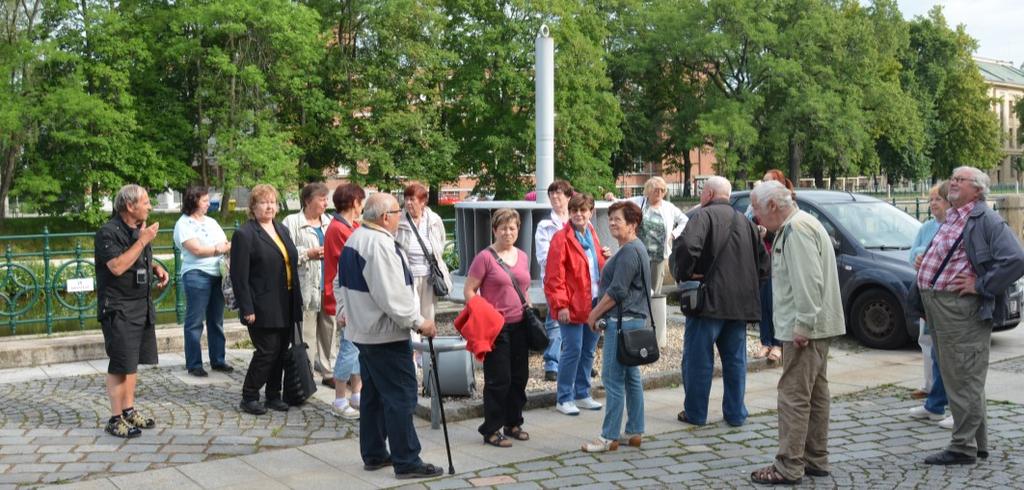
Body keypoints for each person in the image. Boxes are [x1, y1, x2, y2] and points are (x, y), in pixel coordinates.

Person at [909, 166, 1024, 466]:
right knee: (961, 377)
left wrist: (981, 285)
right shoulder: (955, 215)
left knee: (963, 379)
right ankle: (977, 444)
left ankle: (962, 448)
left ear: (978, 189)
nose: (954, 182)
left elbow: (1015, 259)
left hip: (961, 311)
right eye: (953, 178)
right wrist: (926, 261)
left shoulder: (984, 218)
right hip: (941, 308)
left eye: (961, 179)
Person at [337, 192, 443, 479]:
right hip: (384, 334)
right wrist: (421, 323)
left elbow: (339, 283)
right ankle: (407, 460)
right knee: (401, 395)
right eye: (398, 212)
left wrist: (344, 311)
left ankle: (373, 453)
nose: (401, 216)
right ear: (386, 217)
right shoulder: (378, 244)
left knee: (373, 395)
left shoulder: (356, 238)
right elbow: (393, 297)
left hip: (365, 331)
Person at [748, 180, 846, 485]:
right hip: (815, 326)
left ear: (774, 206)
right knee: (815, 394)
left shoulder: (796, 230)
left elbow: (808, 283)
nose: (756, 217)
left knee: (793, 396)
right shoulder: (801, 225)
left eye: (757, 210)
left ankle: (789, 465)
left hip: (805, 329)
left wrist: (802, 325)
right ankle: (815, 459)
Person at [672, 176, 767, 427]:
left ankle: (695, 413)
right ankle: (736, 414)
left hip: (707, 302)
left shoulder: (702, 217)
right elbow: (764, 264)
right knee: (736, 362)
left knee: (698, 361)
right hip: (739, 305)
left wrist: (684, 273)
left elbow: (686, 247)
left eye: (702, 191)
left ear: (709, 194)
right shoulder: (746, 223)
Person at [94, 184, 169, 438]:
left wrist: (156, 268)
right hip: (118, 308)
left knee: (132, 361)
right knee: (119, 364)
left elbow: (137, 259)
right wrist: (144, 240)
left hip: (141, 305)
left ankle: (128, 411)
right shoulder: (107, 232)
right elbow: (116, 266)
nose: (150, 206)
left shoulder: (139, 230)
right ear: (129, 206)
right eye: (146, 202)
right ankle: (115, 419)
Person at [581, 201, 651, 452]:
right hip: (632, 320)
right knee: (631, 377)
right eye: (610, 218)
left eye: (617, 219)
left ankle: (608, 436)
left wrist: (594, 314)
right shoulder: (632, 248)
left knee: (612, 378)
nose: (611, 223)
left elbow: (618, 291)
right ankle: (634, 430)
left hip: (622, 323)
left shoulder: (630, 250)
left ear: (632, 224)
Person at [231, 184, 302, 415]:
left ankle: (274, 394)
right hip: (261, 304)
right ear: (253, 207)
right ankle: (249, 395)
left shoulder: (282, 229)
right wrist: (247, 307)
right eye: (264, 202)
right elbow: (239, 276)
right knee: (267, 351)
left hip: (286, 301)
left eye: (272, 201)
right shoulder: (245, 234)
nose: (269, 206)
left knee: (281, 350)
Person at [465, 208, 532, 448]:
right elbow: (469, 291)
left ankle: (513, 423)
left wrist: (529, 309)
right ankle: (491, 428)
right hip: (497, 327)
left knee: (519, 377)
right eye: (503, 228)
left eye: (512, 227)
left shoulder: (522, 256)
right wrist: (483, 314)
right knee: (498, 379)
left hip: (520, 324)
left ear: (518, 229)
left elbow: (522, 288)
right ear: (494, 230)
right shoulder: (485, 257)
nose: (508, 232)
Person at [544, 193, 606, 416]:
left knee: (588, 350)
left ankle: (582, 393)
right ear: (569, 213)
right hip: (572, 305)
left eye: (583, 210)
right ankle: (564, 397)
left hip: (594, 303)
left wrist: (604, 257)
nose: (579, 214)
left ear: (591, 212)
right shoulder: (561, 238)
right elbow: (554, 276)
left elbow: (594, 268)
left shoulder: (591, 234)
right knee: (573, 350)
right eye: (574, 211)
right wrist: (561, 305)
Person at [906, 181, 953, 429]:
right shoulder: (926, 227)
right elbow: (913, 254)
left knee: (946, 355)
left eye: (938, 199)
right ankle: (934, 403)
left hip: (947, 298)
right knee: (933, 351)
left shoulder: (954, 226)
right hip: (928, 296)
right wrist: (918, 258)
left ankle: (947, 406)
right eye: (931, 199)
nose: (933, 203)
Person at [173, 186, 232, 378]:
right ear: (194, 201)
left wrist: (220, 248)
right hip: (197, 274)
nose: (208, 203)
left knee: (216, 320)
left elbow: (226, 243)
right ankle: (194, 363)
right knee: (195, 320)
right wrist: (217, 249)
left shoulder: (212, 222)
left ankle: (218, 359)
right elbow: (196, 250)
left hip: (217, 274)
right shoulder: (184, 224)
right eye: (205, 200)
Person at [282, 183, 336, 388]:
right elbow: (285, 252)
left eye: (326, 198)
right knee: (307, 330)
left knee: (329, 328)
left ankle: (329, 371)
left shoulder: (329, 221)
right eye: (321, 199)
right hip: (306, 285)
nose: (325, 203)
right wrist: (307, 254)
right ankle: (307, 374)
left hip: (329, 283)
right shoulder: (292, 222)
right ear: (307, 201)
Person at [395, 183, 453, 364]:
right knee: (412, 315)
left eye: (412, 199)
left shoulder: (434, 220)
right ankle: (412, 355)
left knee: (428, 315)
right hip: (408, 275)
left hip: (429, 276)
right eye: (406, 199)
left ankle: (426, 356)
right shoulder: (400, 220)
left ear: (423, 201)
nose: (408, 203)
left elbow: (441, 243)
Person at [605, 176, 688, 295]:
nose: (659, 193)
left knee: (654, 291)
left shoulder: (668, 207)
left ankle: (654, 312)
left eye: (662, 190)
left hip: (658, 256)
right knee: (638, 286)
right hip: (639, 253)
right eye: (656, 190)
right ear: (648, 190)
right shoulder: (640, 201)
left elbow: (684, 220)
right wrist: (611, 197)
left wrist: (673, 235)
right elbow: (621, 203)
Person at [324, 183, 365, 419]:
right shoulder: (340, 229)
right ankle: (340, 397)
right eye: (360, 202)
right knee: (348, 347)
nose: (362, 207)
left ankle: (356, 392)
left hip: (352, 296)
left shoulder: (350, 226)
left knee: (357, 346)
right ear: (353, 203)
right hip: (344, 298)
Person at [749, 169, 794, 362]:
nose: (762, 184)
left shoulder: (786, 208)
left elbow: (783, 234)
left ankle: (778, 343)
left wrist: (766, 233)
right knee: (764, 302)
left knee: (777, 303)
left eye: (767, 182)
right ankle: (765, 341)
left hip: (778, 260)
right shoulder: (760, 206)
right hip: (763, 260)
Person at [535, 180, 574, 381]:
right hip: (554, 280)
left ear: (568, 197)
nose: (555, 198)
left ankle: (573, 360)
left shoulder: (578, 221)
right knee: (555, 320)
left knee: (577, 320)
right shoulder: (545, 225)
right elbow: (543, 257)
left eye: (559, 194)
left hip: (577, 281)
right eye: (552, 195)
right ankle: (552, 362)